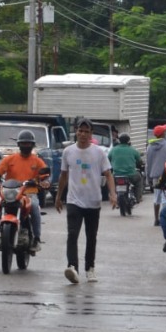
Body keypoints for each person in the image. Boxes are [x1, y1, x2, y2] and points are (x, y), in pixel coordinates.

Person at [54, 118, 116, 284]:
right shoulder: (68, 152)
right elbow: (63, 175)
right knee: (72, 234)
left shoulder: (99, 152)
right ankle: (72, 267)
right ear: (76, 132)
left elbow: (108, 174)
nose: (82, 134)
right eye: (80, 131)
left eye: (86, 132)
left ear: (91, 134)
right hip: (74, 200)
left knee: (91, 236)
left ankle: (90, 268)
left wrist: (113, 194)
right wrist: (58, 196)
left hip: (93, 201)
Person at [0, 130, 50, 251]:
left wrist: (45, 182)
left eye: (28, 144)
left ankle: (36, 239)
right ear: (19, 145)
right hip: (11, 192)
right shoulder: (10, 159)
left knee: (35, 207)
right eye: (23, 143)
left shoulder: (37, 161)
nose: (26, 146)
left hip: (29, 193)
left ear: (32, 145)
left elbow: (45, 175)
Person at [145, 124, 166, 226]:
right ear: (163, 134)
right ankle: (165, 219)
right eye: (165, 131)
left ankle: (156, 219)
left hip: (155, 176)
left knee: (156, 198)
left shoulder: (149, 147)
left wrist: (148, 177)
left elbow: (148, 163)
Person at [107, 132, 143, 204]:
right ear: (128, 140)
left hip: (116, 175)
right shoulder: (133, 150)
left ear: (119, 140)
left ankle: (112, 197)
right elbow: (140, 161)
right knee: (139, 179)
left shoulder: (113, 150)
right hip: (131, 175)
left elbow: (107, 160)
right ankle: (138, 198)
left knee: (110, 183)